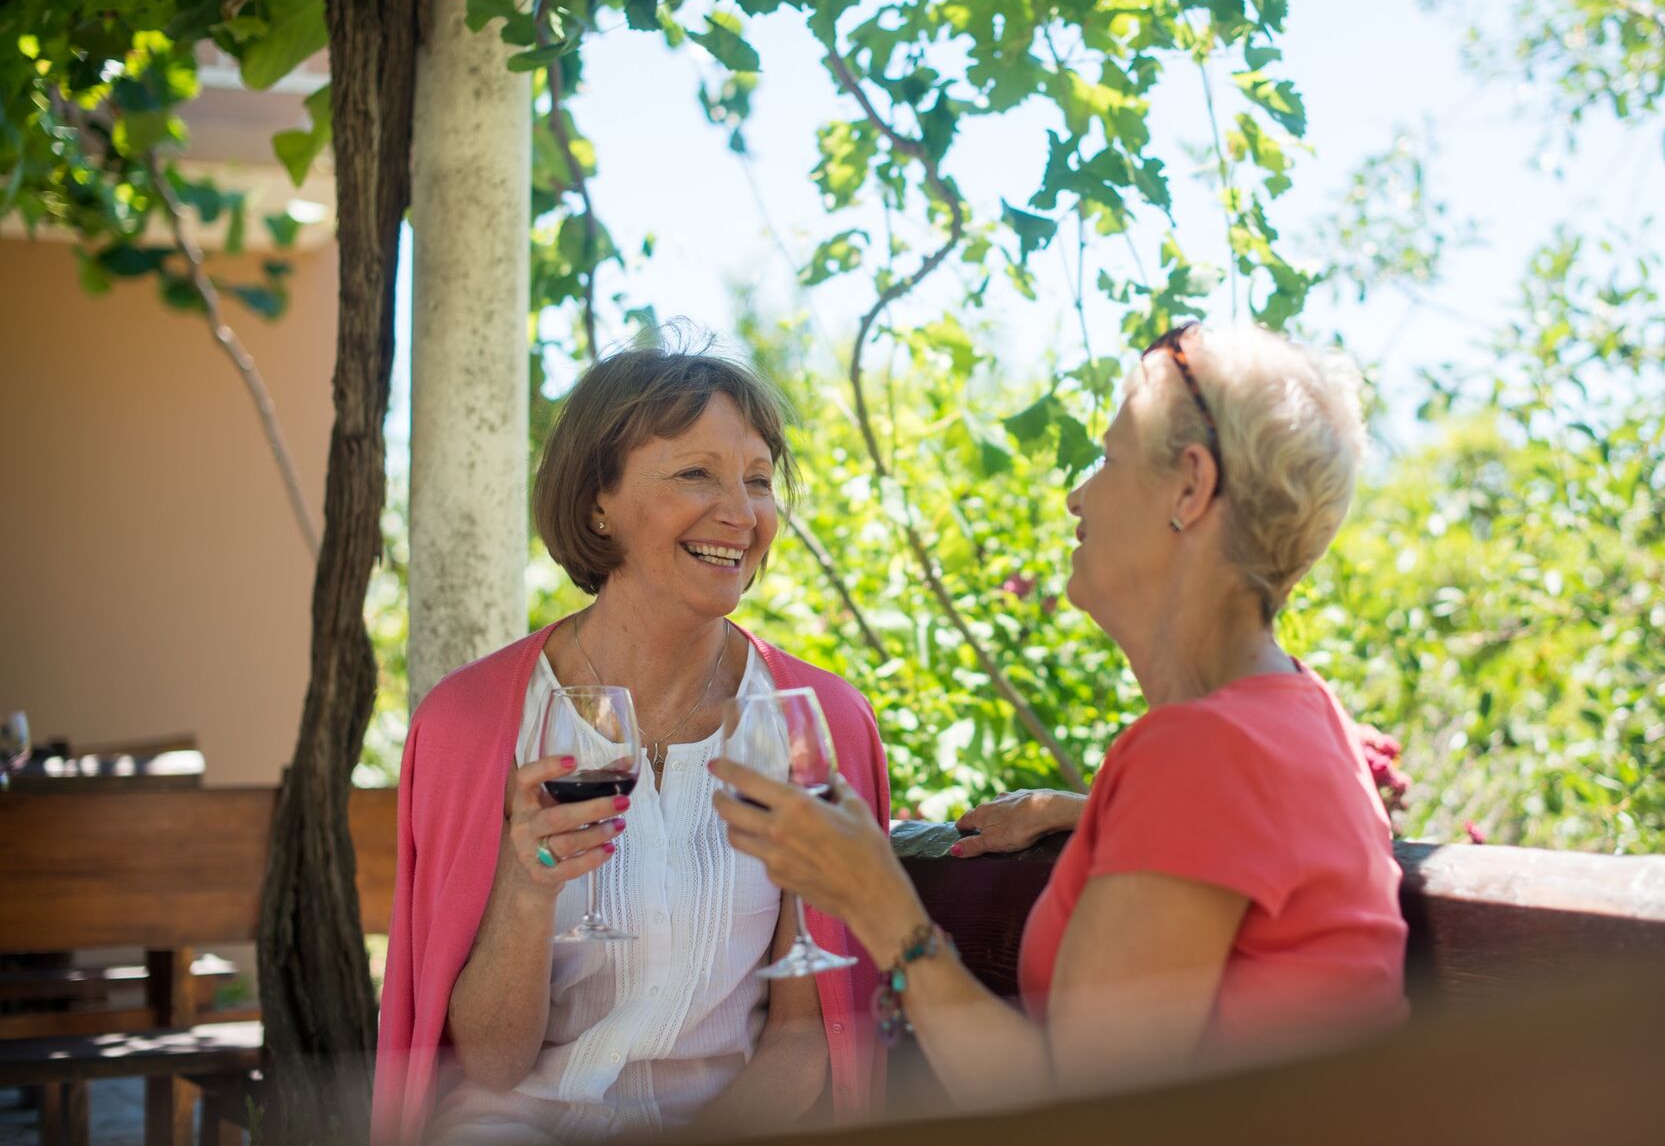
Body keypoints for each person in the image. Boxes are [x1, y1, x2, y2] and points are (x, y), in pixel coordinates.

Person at [712, 322, 1407, 1108]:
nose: (1079, 494)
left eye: (1108, 459)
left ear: (1190, 486)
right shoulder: (1296, 713)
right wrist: (1086, 812)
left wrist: (878, 901)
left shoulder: (1204, 753)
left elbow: (1076, 1108)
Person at [373, 337, 890, 1143]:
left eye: (758, 480)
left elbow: (802, 1036)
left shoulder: (810, 721)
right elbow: (492, 1063)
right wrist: (527, 886)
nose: (742, 511)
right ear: (596, 502)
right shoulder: (470, 726)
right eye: (696, 473)